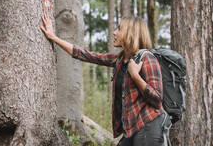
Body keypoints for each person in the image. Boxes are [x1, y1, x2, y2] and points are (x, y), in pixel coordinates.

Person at [40, 14, 168, 146]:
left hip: (149, 126)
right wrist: (53, 37)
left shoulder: (147, 58)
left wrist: (135, 76)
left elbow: (157, 99)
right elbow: (85, 55)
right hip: (131, 130)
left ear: (130, 33)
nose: (114, 32)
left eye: (119, 29)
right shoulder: (120, 60)